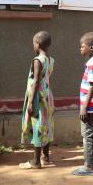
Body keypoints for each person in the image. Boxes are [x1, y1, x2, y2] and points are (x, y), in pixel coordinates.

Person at [19, 31, 55, 169]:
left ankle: (36, 161)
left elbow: (35, 82)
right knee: (46, 124)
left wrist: (30, 102)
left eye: (33, 43)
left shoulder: (37, 60)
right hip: (47, 95)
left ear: (37, 44)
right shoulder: (51, 60)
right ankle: (45, 157)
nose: (33, 46)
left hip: (38, 97)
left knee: (37, 125)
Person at [72, 32, 93, 176]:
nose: (80, 49)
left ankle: (89, 167)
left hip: (90, 105)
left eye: (82, 46)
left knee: (88, 134)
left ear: (91, 47)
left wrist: (84, 106)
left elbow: (92, 85)